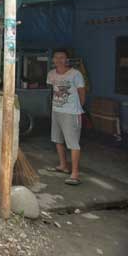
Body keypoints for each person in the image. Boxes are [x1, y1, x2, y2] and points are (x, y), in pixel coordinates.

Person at [46, 49, 85, 186]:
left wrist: (77, 108)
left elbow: (82, 93)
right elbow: (53, 91)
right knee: (57, 140)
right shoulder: (51, 74)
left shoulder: (75, 74)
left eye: (62, 57)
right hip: (56, 110)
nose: (59, 60)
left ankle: (75, 173)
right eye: (56, 57)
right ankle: (63, 166)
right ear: (53, 60)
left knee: (73, 143)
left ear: (67, 59)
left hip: (71, 113)